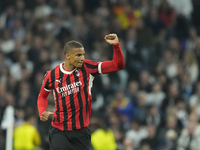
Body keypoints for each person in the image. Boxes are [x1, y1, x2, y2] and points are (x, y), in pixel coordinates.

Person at [37, 34, 125, 150]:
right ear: (68, 56)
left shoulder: (87, 68)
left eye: (83, 54)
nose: (82, 58)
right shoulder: (52, 75)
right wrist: (42, 111)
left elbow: (118, 65)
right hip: (59, 130)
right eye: (78, 55)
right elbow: (42, 96)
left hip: (81, 132)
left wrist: (116, 47)